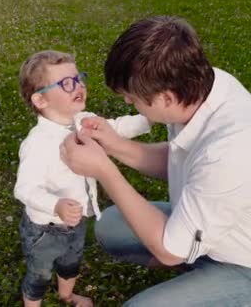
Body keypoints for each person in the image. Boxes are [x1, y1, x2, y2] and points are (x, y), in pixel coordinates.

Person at [59, 16, 251, 306]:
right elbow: (181, 157)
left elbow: (169, 251)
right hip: (218, 238)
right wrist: (115, 145)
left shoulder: (233, 150)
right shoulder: (201, 87)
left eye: (132, 97)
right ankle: (198, 264)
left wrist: (104, 171)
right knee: (111, 227)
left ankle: (222, 281)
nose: (129, 103)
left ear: (166, 98)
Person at [15, 50, 151, 307]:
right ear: (41, 100)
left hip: (77, 221)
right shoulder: (37, 145)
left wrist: (148, 119)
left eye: (79, 79)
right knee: (39, 274)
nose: (78, 87)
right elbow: (25, 189)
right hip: (46, 228)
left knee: (71, 265)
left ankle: (66, 296)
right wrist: (55, 205)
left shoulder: (84, 120)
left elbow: (115, 128)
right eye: (67, 84)